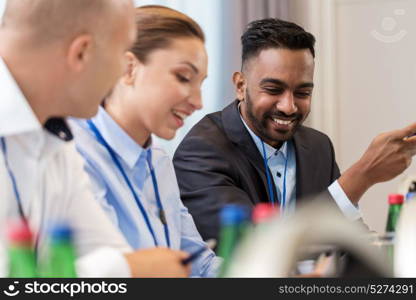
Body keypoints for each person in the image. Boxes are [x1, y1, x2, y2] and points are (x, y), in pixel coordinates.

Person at [173, 18, 416, 242]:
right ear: (240, 85)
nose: (289, 107)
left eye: (302, 93)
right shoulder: (201, 151)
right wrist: (363, 174)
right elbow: (253, 249)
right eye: (273, 89)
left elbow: (349, 239)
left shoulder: (318, 147)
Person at [0, 0, 190, 277]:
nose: (121, 73)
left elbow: (105, 248)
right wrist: (127, 269)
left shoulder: (56, 137)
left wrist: (127, 267)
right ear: (82, 52)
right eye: (122, 53)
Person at [70, 5, 221, 277]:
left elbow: (198, 263)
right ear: (129, 68)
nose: (198, 102)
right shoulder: (76, 155)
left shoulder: (158, 160)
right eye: (184, 77)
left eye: (200, 83)